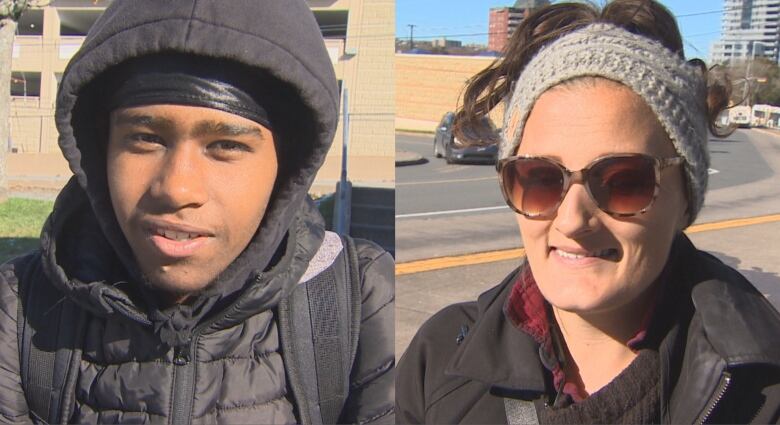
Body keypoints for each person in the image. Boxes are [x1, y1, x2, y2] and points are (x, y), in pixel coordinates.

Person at [0, 0, 394, 423]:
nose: (177, 188)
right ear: (102, 150)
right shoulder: (18, 307)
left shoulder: (361, 300)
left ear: (288, 166)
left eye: (226, 146)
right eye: (146, 138)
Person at [396, 1, 780, 423]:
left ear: (685, 196)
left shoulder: (762, 391)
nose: (573, 219)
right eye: (539, 177)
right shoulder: (437, 363)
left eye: (624, 181)